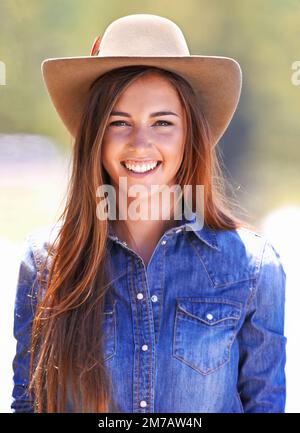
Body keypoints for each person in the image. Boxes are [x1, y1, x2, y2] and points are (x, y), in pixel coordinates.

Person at [11, 14, 287, 413]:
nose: (141, 144)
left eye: (163, 123)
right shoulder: (44, 264)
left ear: (190, 133)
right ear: (95, 137)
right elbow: (28, 404)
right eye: (119, 122)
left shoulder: (253, 268)